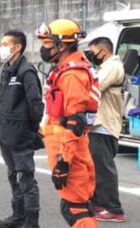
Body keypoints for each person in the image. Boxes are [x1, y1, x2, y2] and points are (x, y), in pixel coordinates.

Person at [36, 19, 99, 228]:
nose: (43, 49)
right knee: (77, 203)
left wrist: (64, 160)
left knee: (75, 208)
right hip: (64, 144)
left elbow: (75, 122)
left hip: (69, 148)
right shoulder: (65, 69)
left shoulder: (72, 74)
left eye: (47, 44)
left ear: (61, 45)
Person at [0, 30, 44, 228]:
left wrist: (30, 129)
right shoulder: (7, 69)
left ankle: (32, 222)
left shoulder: (26, 71)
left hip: (21, 134)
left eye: (5, 44)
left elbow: (36, 104)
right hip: (6, 133)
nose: (2, 47)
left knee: (25, 178)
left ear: (17, 47)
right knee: (13, 175)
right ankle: (18, 216)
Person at [87, 37, 126, 222]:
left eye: (93, 53)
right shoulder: (105, 67)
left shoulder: (112, 66)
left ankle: (113, 209)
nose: (91, 56)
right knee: (95, 167)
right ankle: (99, 204)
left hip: (105, 125)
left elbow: (95, 86)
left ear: (104, 51)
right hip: (98, 124)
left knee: (104, 169)